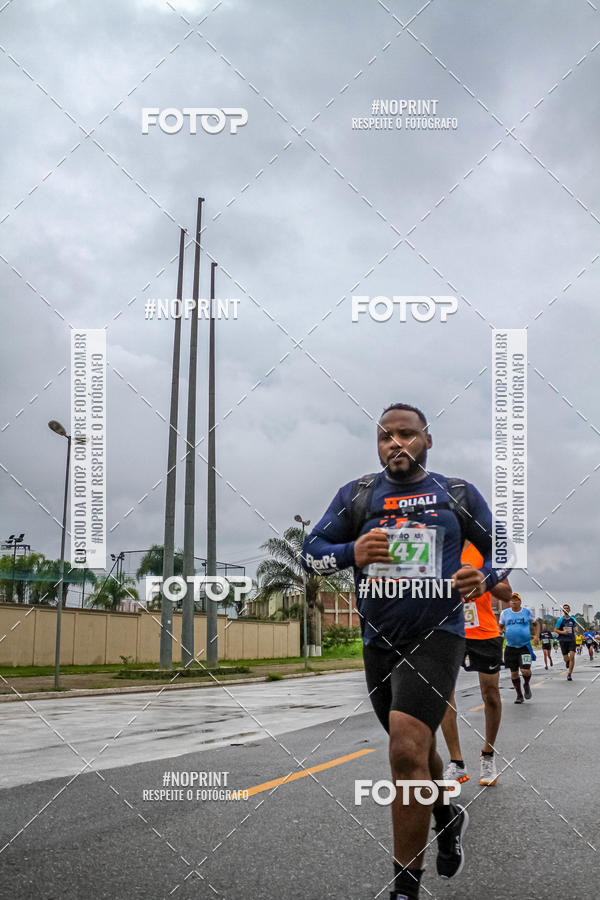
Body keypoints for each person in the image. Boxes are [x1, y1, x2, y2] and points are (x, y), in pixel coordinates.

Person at [302, 403, 509, 900]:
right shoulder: (358, 495)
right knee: (420, 753)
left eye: (406, 435)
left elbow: (503, 548)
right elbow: (310, 551)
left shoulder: (456, 494)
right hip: (379, 641)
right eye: (385, 437)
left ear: (427, 441)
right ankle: (445, 813)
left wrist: (484, 576)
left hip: (438, 634)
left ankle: (404, 890)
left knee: (404, 749)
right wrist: (351, 552)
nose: (395, 443)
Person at [441, 542, 512, 788]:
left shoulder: (482, 549)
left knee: (490, 694)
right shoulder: (438, 544)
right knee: (443, 693)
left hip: (484, 632)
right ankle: (456, 761)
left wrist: (480, 579)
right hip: (447, 629)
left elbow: (506, 593)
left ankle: (488, 755)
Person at [499, 594, 539, 703]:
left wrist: (536, 636)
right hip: (510, 647)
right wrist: (500, 631)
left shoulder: (526, 612)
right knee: (514, 673)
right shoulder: (505, 613)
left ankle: (526, 684)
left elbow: (536, 624)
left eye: (516, 600)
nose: (513, 602)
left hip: (524, 646)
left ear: (520, 602)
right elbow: (500, 626)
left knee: (525, 671)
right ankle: (519, 695)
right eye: (512, 600)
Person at [555, 604, 580, 681]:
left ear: (569, 610)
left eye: (567, 608)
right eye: (564, 608)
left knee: (572, 656)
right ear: (563, 610)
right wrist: (563, 632)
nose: (566, 610)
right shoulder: (560, 620)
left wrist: (576, 629)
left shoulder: (573, 619)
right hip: (563, 640)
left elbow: (576, 626)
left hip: (571, 640)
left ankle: (569, 674)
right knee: (566, 658)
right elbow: (556, 630)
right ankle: (567, 662)